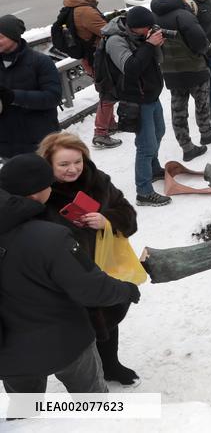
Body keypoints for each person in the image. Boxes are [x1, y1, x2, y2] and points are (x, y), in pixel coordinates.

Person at [0, 153, 140, 395]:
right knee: (93, 405)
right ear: (37, 191)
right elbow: (92, 289)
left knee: (23, 415)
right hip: (64, 342)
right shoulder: (50, 237)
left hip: (8, 352)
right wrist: (127, 290)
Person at [37, 132, 140, 385]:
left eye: (78, 161)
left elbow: (128, 214)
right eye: (63, 164)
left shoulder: (99, 182)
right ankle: (86, 386)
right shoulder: (38, 192)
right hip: (63, 277)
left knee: (108, 318)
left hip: (102, 266)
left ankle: (111, 365)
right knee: (77, 334)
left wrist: (107, 219)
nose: (73, 169)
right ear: (48, 164)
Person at [151, 0, 211, 162]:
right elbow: (200, 41)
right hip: (193, 68)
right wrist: (203, 53)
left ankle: (186, 146)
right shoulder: (183, 14)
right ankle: (206, 132)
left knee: (178, 109)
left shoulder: (154, 16)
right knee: (202, 103)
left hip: (170, 70)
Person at [102, 7, 171, 206]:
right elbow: (130, 68)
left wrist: (155, 45)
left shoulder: (140, 37)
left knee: (159, 131)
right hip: (136, 99)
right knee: (146, 145)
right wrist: (149, 45)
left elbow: (156, 60)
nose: (150, 29)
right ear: (134, 28)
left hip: (150, 95)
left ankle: (153, 168)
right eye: (147, 27)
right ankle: (144, 191)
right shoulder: (116, 41)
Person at [62, 0, 121, 149]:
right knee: (108, 92)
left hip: (90, 56)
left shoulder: (77, 5)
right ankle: (101, 133)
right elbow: (106, 31)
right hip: (96, 57)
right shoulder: (85, 11)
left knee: (106, 89)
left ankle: (110, 124)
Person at [0, 14, 61, 160]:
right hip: (7, 146)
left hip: (40, 144)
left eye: (1, 37)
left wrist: (14, 97)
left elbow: (53, 97)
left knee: (47, 182)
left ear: (14, 36)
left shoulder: (40, 62)